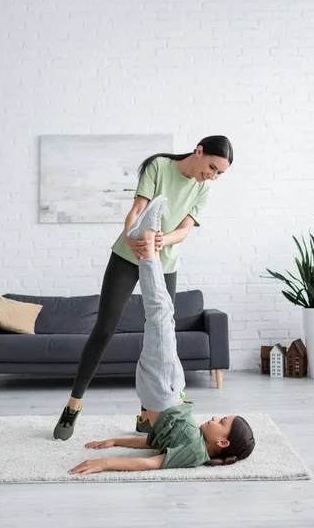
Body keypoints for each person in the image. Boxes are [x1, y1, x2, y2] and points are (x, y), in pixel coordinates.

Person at [53, 135, 234, 441]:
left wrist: (164, 240)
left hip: (164, 262)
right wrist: (128, 235)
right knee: (105, 328)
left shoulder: (203, 189)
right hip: (128, 254)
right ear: (199, 151)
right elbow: (138, 210)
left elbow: (185, 229)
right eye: (212, 167)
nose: (213, 176)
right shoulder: (159, 167)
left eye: (220, 173)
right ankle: (73, 405)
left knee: (159, 335)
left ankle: (146, 413)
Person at [68, 197, 255, 475]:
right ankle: (147, 240)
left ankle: (147, 237)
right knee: (162, 311)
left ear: (222, 441)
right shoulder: (194, 444)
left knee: (161, 311)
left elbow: (153, 462)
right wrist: (115, 441)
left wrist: (106, 463)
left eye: (222, 420)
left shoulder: (194, 452)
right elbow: (154, 443)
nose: (216, 416)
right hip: (167, 388)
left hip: (164, 389)